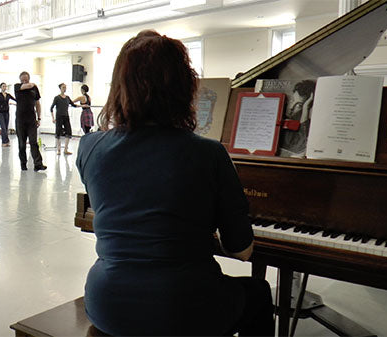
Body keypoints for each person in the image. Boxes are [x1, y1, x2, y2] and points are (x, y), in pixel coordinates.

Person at [76, 30, 274, 336]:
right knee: (258, 293)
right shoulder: (209, 153)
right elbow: (241, 251)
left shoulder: (89, 147)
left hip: (106, 304)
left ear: (119, 87)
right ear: (185, 88)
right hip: (183, 307)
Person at [14, 71, 46, 171]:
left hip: (31, 119)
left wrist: (39, 117)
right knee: (22, 144)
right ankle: (23, 164)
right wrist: (31, 84)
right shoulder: (17, 86)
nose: (24, 82)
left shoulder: (34, 88)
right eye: (22, 80)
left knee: (33, 142)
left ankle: (38, 164)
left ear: (29, 79)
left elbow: (37, 103)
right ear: (20, 80)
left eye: (26, 80)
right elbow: (25, 86)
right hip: (20, 120)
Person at [50, 83, 77, 155]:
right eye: (63, 87)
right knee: (58, 133)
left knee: (68, 132)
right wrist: (53, 118)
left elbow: (73, 105)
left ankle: (65, 149)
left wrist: (83, 105)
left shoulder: (67, 98)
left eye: (65, 87)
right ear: (60, 88)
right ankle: (58, 150)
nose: (65, 89)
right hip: (59, 117)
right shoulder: (57, 98)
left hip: (66, 117)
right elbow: (51, 108)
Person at [0, 82, 16, 147]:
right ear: (0, 87)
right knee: (3, 127)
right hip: (0, 112)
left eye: (5, 86)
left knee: (6, 128)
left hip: (6, 112)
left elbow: (15, 99)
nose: (4, 87)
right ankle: (4, 141)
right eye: (3, 86)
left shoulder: (8, 95)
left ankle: (6, 141)